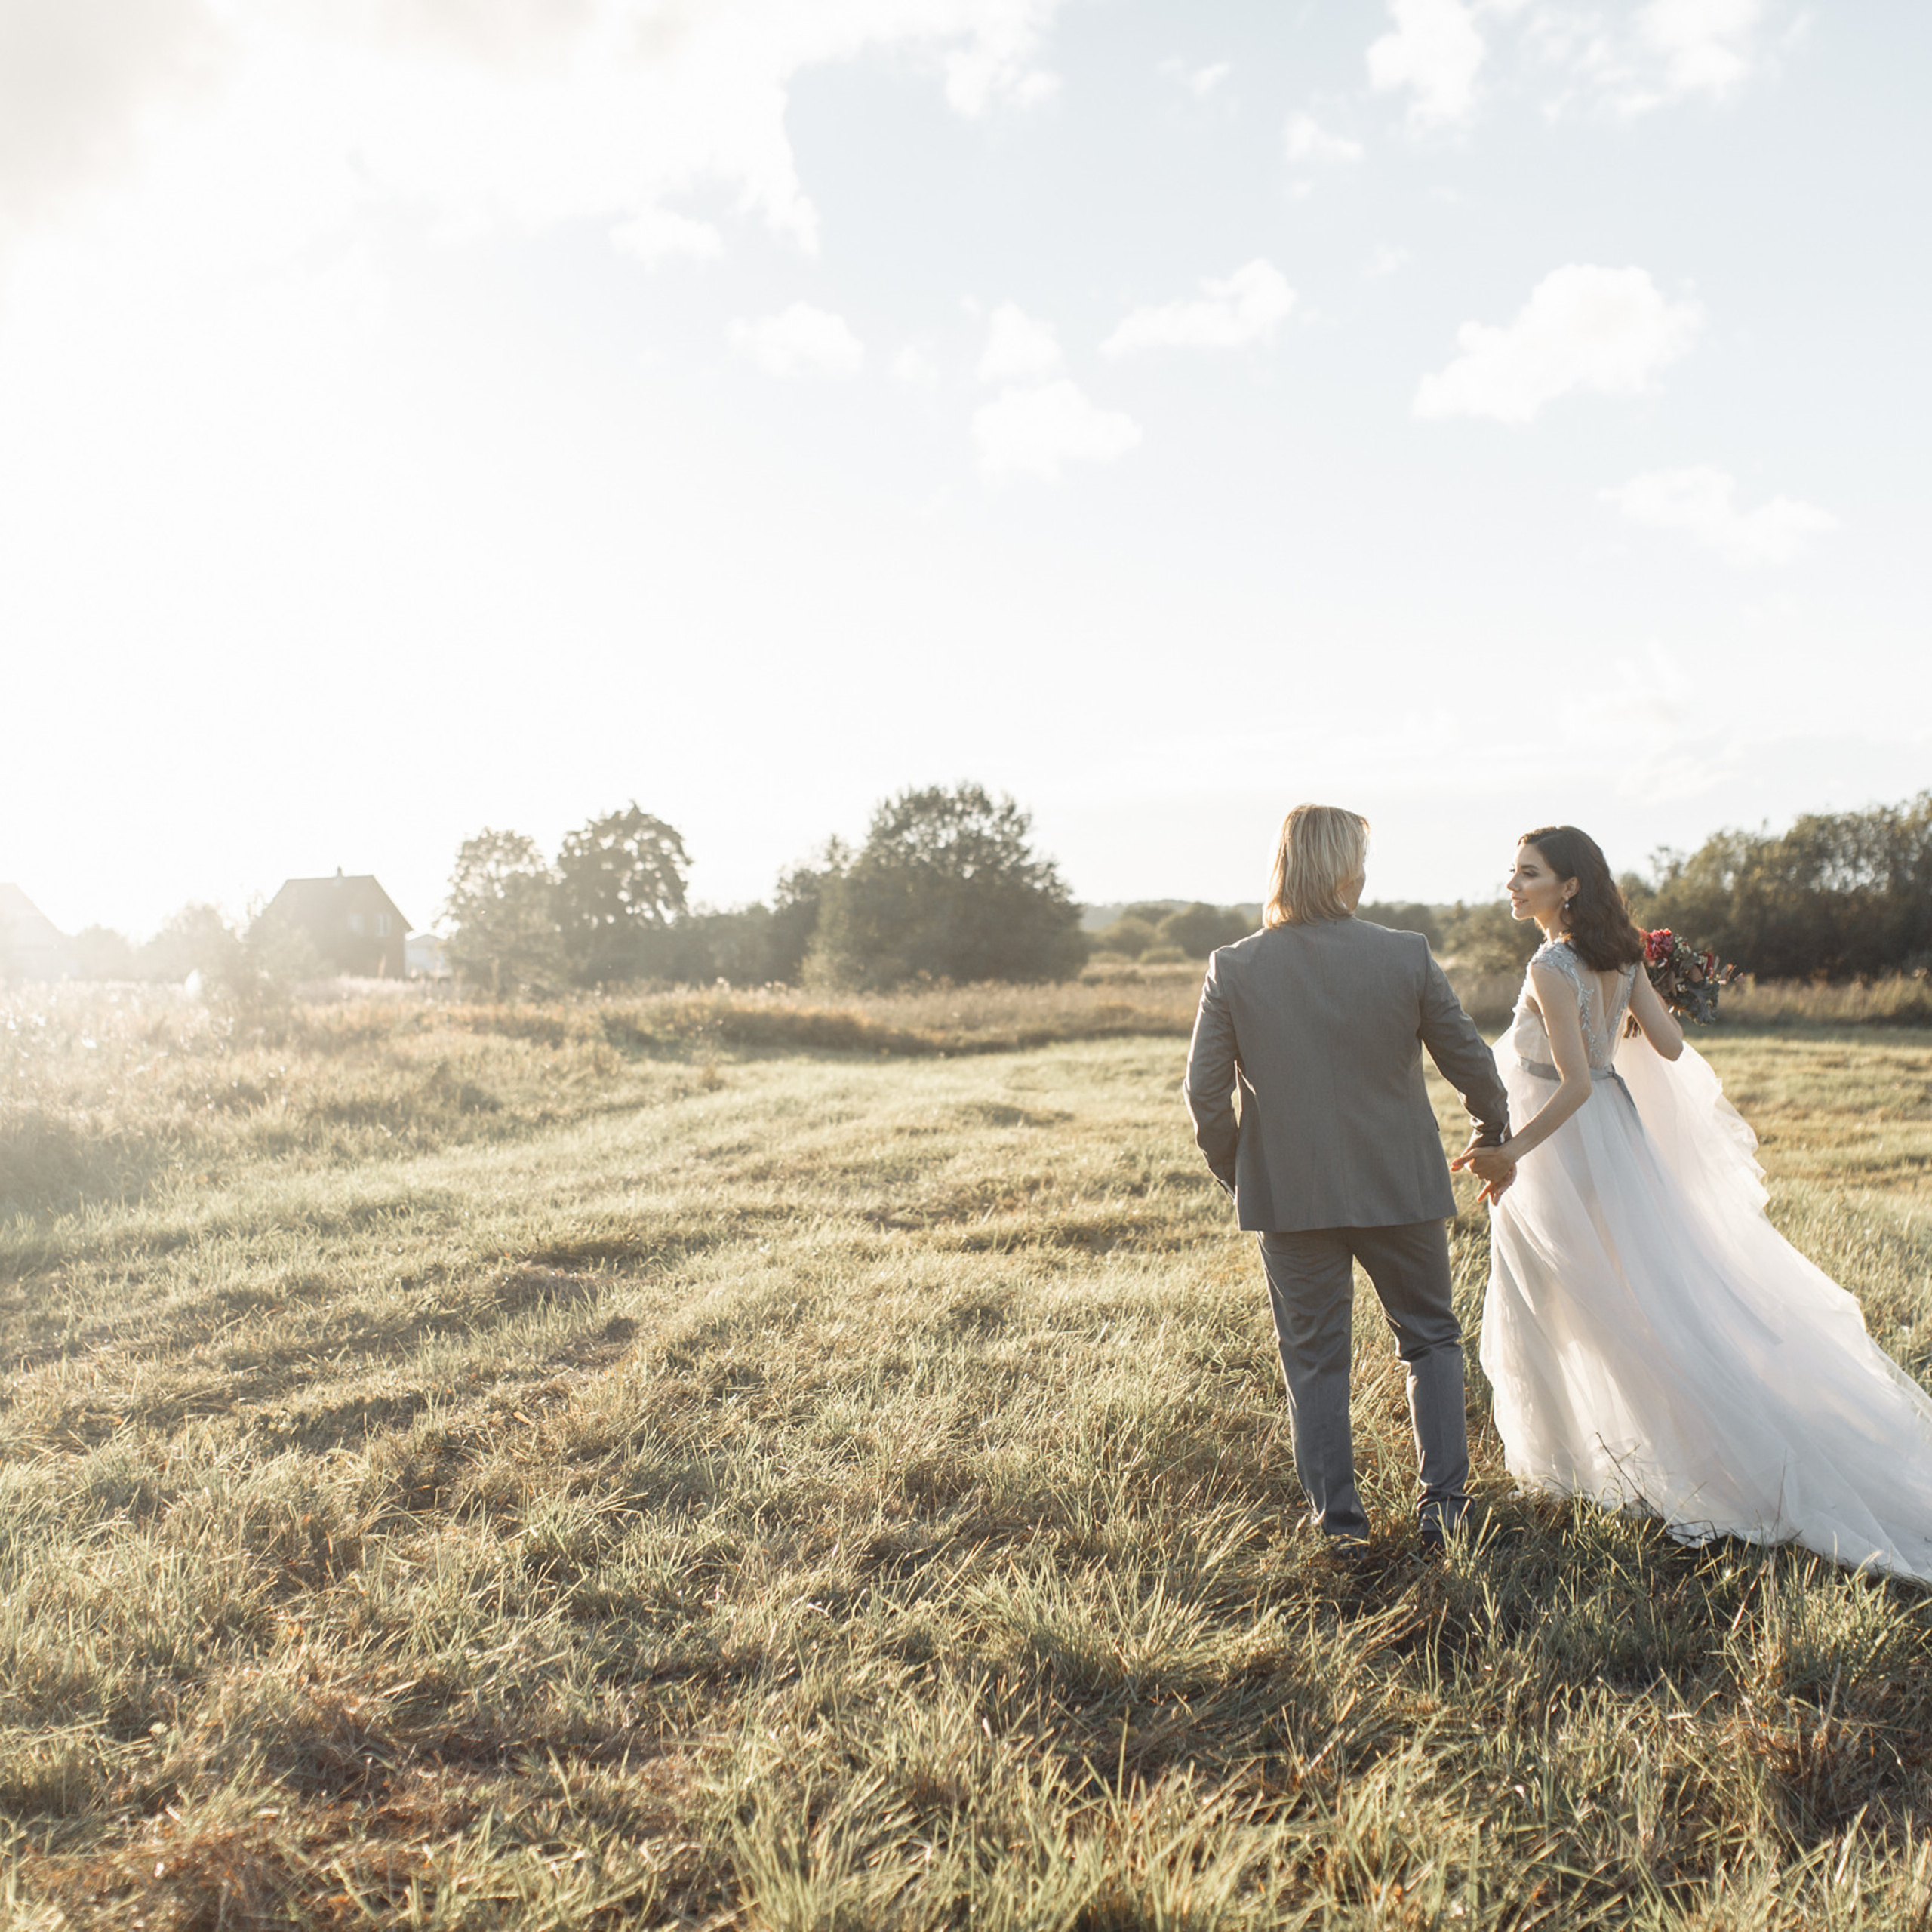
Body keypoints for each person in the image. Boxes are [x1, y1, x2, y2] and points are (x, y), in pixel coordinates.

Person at [1455, 825, 1932, 1581]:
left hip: (1562, 1148)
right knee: (1633, 1294)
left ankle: (1567, 1464)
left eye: (1528, 873)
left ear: (1568, 886)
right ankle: (1603, 1449)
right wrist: (1627, 1013)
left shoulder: (1550, 965)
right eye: (1513, 872)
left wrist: (1511, 1153)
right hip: (1617, 1137)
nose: (1512, 885)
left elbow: (1572, 1085)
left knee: (1557, 1296)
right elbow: (1671, 1046)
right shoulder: (1621, 956)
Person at [1184, 804, 1511, 1551]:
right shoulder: (1405, 953)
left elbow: (1204, 1095)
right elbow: (1471, 1062)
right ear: (1345, 871)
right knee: (1431, 1341)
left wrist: (1245, 1175)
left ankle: (1340, 1531)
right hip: (1401, 1183)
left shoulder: (1234, 966)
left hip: (1290, 1197)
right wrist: (1489, 1131)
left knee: (1315, 1363)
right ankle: (1445, 1512)